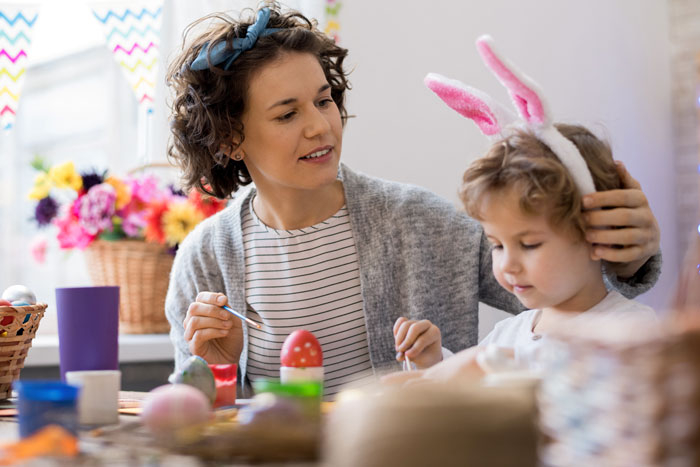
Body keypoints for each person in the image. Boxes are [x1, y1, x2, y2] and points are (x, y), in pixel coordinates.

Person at [164, 4, 661, 396]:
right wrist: (219, 369)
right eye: (286, 114)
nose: (320, 124)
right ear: (230, 139)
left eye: (323, 100)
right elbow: (191, 418)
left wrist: (629, 255)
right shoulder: (205, 261)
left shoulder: (423, 222)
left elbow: (571, 298)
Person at [385, 125, 659, 385]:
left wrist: (484, 363)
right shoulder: (506, 334)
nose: (508, 265)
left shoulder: (631, 330)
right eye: (498, 245)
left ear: (599, 233)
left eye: (529, 244)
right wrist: (435, 363)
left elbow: (590, 397)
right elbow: (479, 402)